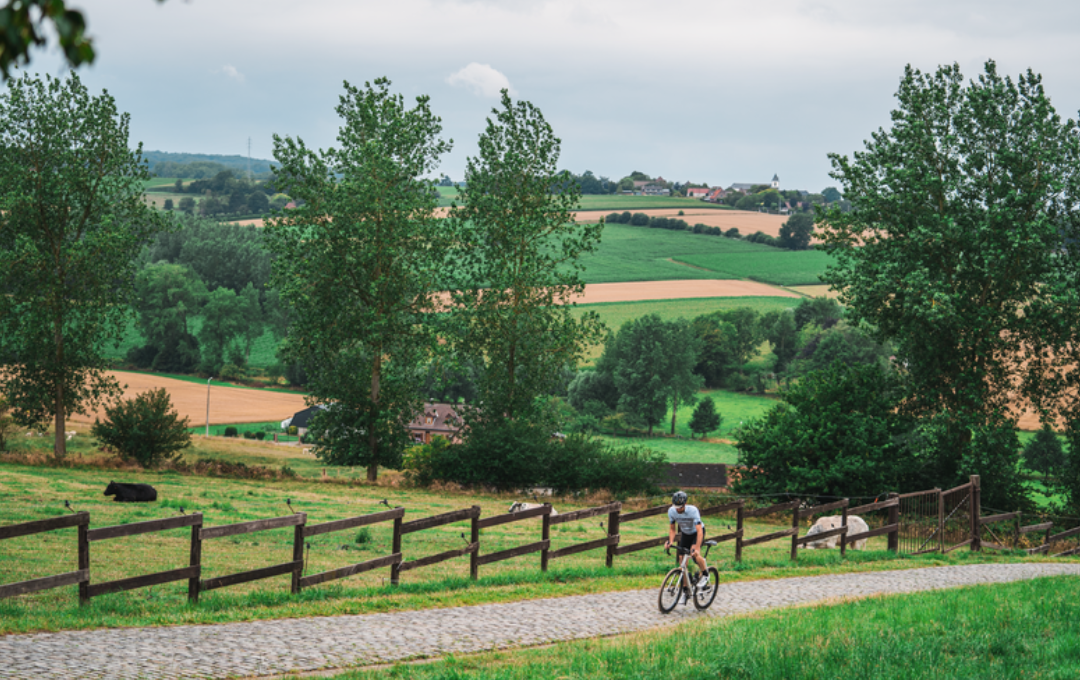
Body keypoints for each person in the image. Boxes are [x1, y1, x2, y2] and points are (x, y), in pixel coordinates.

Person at [664, 490, 709, 589]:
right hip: (686, 533)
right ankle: (685, 587)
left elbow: (700, 531)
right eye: (676, 507)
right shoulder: (671, 511)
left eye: (680, 507)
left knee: (694, 554)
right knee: (682, 560)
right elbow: (672, 529)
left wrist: (697, 548)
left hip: (696, 533)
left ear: (685, 504)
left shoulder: (693, 510)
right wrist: (670, 541)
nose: (678, 510)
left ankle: (705, 574)